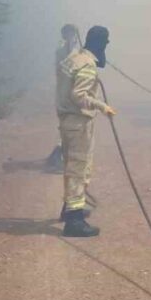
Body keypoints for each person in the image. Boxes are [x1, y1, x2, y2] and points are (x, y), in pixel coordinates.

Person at [56, 25, 118, 237]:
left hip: (65, 120)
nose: (108, 44)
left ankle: (70, 207)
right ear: (100, 42)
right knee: (79, 169)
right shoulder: (87, 65)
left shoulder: (74, 58)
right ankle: (74, 220)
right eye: (106, 41)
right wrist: (102, 106)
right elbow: (78, 94)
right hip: (79, 121)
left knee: (70, 166)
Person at [45, 24, 80, 173]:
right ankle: (57, 158)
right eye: (70, 34)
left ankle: (59, 156)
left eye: (74, 34)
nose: (72, 37)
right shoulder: (62, 52)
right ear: (65, 36)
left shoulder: (76, 51)